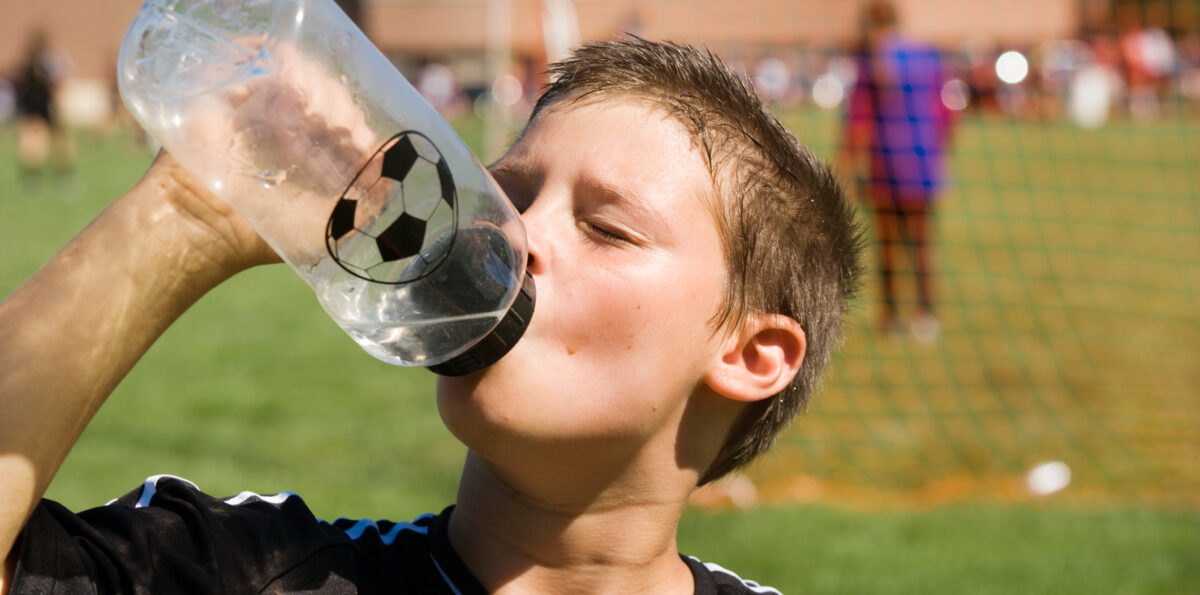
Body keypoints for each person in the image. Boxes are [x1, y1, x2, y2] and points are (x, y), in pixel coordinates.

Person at [0, 38, 862, 593]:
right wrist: (188, 213)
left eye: (606, 227)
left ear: (754, 353)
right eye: (510, 192)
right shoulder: (256, 573)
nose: (517, 235)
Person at [839, 0, 952, 344]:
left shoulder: (871, 60)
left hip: (886, 164)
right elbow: (947, 111)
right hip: (922, 162)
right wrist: (937, 152)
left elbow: (859, 119)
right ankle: (925, 316)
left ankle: (890, 318)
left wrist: (846, 166)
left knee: (888, 245)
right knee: (920, 245)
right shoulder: (927, 56)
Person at [12, 31, 75, 193]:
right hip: (42, 107)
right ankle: (59, 176)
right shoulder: (43, 65)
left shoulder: (30, 65)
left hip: (34, 108)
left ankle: (35, 177)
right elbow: (55, 85)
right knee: (44, 143)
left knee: (39, 143)